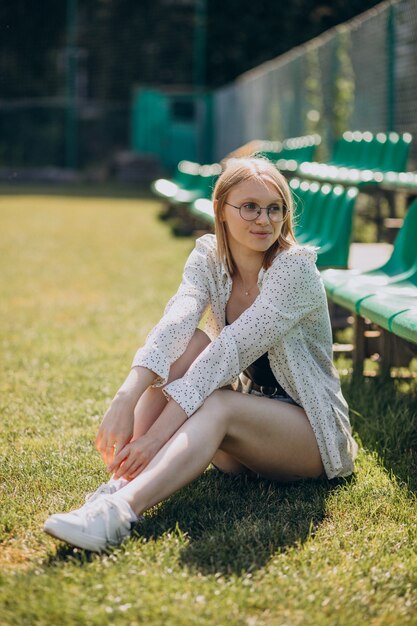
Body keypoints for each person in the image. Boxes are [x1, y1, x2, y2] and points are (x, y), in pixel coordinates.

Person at [44, 157, 358, 552]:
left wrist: (156, 438)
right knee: (190, 342)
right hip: (250, 434)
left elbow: (229, 351)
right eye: (249, 207)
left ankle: (119, 512)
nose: (264, 219)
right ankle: (120, 482)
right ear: (221, 212)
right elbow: (175, 321)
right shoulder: (210, 257)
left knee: (218, 403)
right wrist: (125, 396)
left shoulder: (293, 270)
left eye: (274, 208)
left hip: (310, 437)